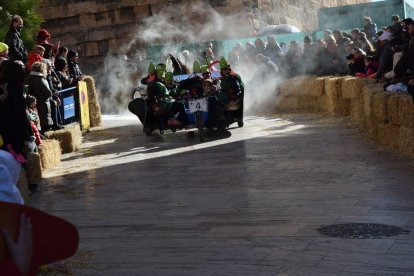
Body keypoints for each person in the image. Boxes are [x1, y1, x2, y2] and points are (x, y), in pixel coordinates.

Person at [28, 62, 54, 133]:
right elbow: (48, 92)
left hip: (34, 103)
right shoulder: (40, 78)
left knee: (37, 122)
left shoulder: (30, 77)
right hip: (43, 103)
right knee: (45, 124)